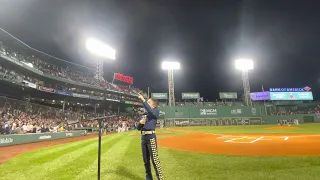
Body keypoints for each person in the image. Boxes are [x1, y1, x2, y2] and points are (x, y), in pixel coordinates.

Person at [137, 93, 164, 180]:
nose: (146, 104)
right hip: (143, 138)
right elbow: (138, 128)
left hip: (151, 137)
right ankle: (149, 178)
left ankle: (160, 178)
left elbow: (151, 112)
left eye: (149, 102)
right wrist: (140, 123)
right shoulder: (145, 114)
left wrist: (143, 100)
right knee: (146, 160)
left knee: (155, 160)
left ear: (153, 105)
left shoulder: (155, 111)